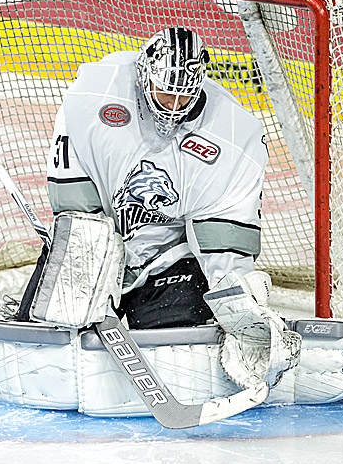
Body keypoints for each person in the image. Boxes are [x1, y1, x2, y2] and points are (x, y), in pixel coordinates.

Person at [15, 26, 270, 330]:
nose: (173, 107)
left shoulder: (233, 135)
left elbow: (223, 240)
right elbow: (74, 197)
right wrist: (91, 249)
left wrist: (239, 308)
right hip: (96, 242)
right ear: (144, 76)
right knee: (45, 332)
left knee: (176, 350)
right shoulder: (94, 93)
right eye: (166, 92)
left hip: (168, 260)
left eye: (184, 97)